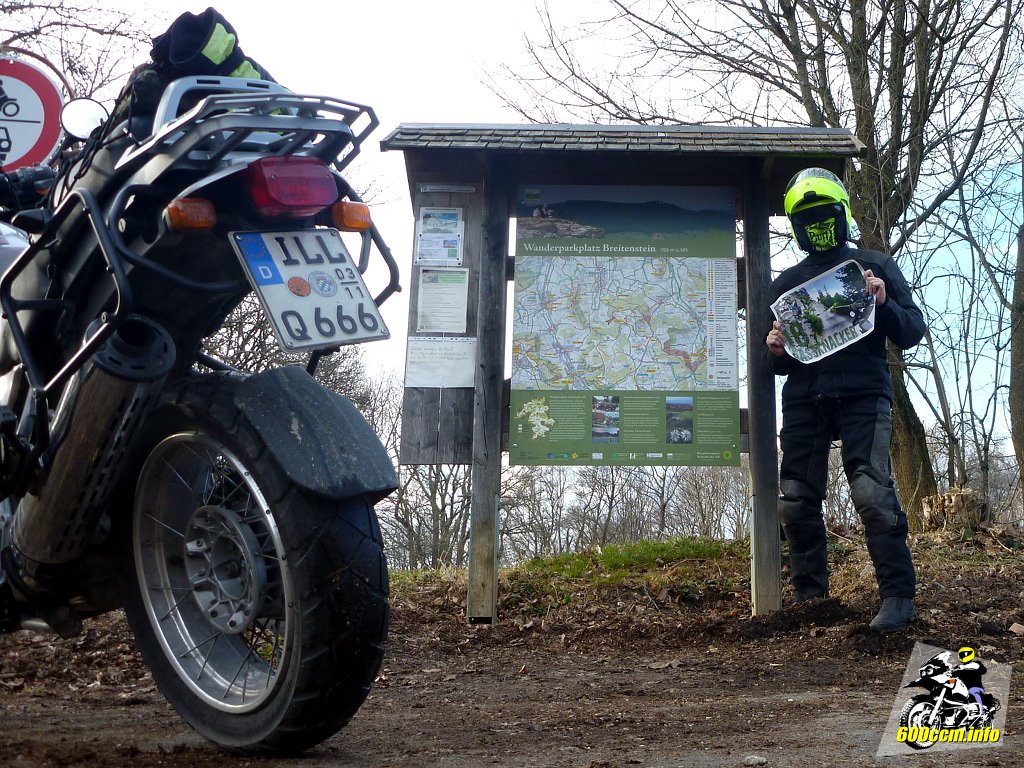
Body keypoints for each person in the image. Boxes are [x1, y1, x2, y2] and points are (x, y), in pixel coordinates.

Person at [764, 168, 926, 632]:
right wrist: (775, 348)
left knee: (872, 492)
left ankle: (897, 597)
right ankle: (810, 600)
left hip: (863, 393)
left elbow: (912, 330)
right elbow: (775, 361)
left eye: (824, 215)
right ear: (796, 227)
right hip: (804, 399)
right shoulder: (786, 285)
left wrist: (883, 302)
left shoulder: (873, 264)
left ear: (842, 214)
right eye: (807, 219)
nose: (817, 226)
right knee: (796, 501)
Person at [952, 646, 988, 718]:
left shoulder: (976, 664)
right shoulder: (958, 667)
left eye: (966, 654)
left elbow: (983, 670)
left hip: (975, 687)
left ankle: (981, 712)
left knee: (973, 691)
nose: (964, 656)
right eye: (962, 654)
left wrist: (965, 670)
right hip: (962, 689)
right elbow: (952, 674)